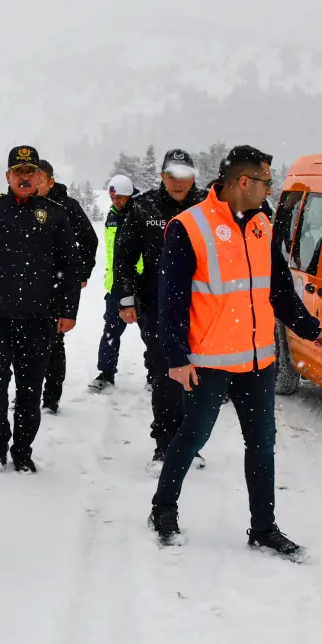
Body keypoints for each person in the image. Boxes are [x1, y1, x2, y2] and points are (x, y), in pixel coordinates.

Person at [147, 145, 322, 556]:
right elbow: (172, 300)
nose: (271, 187)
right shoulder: (189, 226)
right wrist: (177, 357)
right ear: (243, 182)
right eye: (267, 180)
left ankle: (263, 527)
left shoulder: (262, 224)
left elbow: (279, 289)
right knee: (192, 436)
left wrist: (311, 328)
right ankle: (163, 507)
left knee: (262, 445)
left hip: (257, 360)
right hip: (209, 361)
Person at [0, 146, 81, 473]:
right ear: (8, 176)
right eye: (18, 172)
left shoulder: (54, 214)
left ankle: (23, 450)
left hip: (38, 320)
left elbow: (71, 266)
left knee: (30, 389)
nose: (24, 178)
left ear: (39, 176)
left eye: (30, 172)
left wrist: (68, 310)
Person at [114, 148, 206, 475]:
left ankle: (189, 444)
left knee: (195, 376)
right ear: (162, 176)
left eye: (183, 177)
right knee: (165, 373)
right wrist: (125, 299)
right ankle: (164, 444)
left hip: (202, 307)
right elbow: (123, 256)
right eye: (171, 176)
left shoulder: (210, 206)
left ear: (193, 176)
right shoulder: (143, 206)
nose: (177, 183)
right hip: (157, 305)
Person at [34, 158, 97, 414]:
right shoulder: (25, 204)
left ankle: (51, 397)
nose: (34, 184)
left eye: (40, 179)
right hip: (29, 289)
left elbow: (89, 240)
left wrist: (81, 273)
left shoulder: (68, 207)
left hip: (58, 286)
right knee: (26, 345)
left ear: (51, 181)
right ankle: (28, 393)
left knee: (53, 344)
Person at [89, 174, 142, 392]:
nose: (116, 201)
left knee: (153, 334)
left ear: (130, 195)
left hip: (141, 283)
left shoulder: (141, 214)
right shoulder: (112, 216)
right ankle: (106, 373)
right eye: (113, 198)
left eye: (120, 197)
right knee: (111, 330)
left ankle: (157, 374)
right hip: (116, 286)